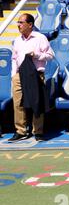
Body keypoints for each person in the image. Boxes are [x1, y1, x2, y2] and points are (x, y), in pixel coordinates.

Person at [8, 13, 54, 142]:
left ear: (30, 24)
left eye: (21, 22)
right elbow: (14, 58)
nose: (19, 25)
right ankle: (20, 131)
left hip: (36, 75)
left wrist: (37, 55)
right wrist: (13, 75)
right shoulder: (17, 40)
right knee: (18, 103)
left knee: (36, 102)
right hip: (19, 75)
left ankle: (38, 131)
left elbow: (50, 55)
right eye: (18, 22)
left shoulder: (40, 38)